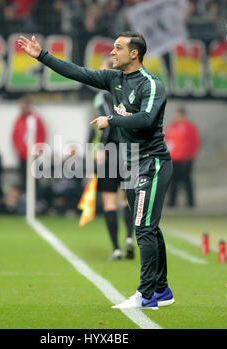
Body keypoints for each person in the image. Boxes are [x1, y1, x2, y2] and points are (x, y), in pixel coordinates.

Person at [18, 31, 175, 309]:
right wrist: (42, 56)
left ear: (134, 53)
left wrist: (111, 119)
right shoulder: (114, 79)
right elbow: (78, 73)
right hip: (129, 164)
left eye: (118, 48)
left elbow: (147, 119)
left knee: (143, 229)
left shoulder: (151, 84)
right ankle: (162, 291)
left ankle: (146, 295)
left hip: (152, 163)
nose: (112, 52)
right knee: (150, 228)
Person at [90, 57, 134, 261]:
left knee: (109, 201)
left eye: (100, 70)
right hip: (131, 150)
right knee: (127, 199)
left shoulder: (102, 95)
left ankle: (116, 248)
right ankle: (128, 238)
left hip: (111, 150)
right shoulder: (131, 91)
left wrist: (101, 146)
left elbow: (108, 120)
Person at [164, 107, 200, 208]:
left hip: (185, 159)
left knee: (186, 181)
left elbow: (195, 142)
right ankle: (172, 202)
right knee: (173, 181)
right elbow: (166, 141)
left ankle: (190, 202)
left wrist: (191, 155)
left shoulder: (189, 127)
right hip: (173, 159)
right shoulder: (171, 127)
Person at [12, 97, 46, 191]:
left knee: (35, 179)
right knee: (24, 179)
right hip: (23, 156)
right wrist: (19, 149)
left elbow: (42, 134)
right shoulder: (19, 120)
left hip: (34, 156)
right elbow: (15, 136)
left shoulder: (35, 119)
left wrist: (38, 149)